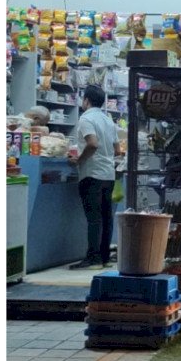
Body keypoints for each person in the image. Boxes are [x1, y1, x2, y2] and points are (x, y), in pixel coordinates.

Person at [68, 84, 118, 269]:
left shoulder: (86, 119)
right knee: (106, 217)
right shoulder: (108, 120)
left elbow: (92, 144)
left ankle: (93, 258)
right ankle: (104, 257)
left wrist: (79, 160)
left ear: (86, 100)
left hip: (92, 174)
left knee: (94, 218)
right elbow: (117, 149)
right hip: (108, 175)